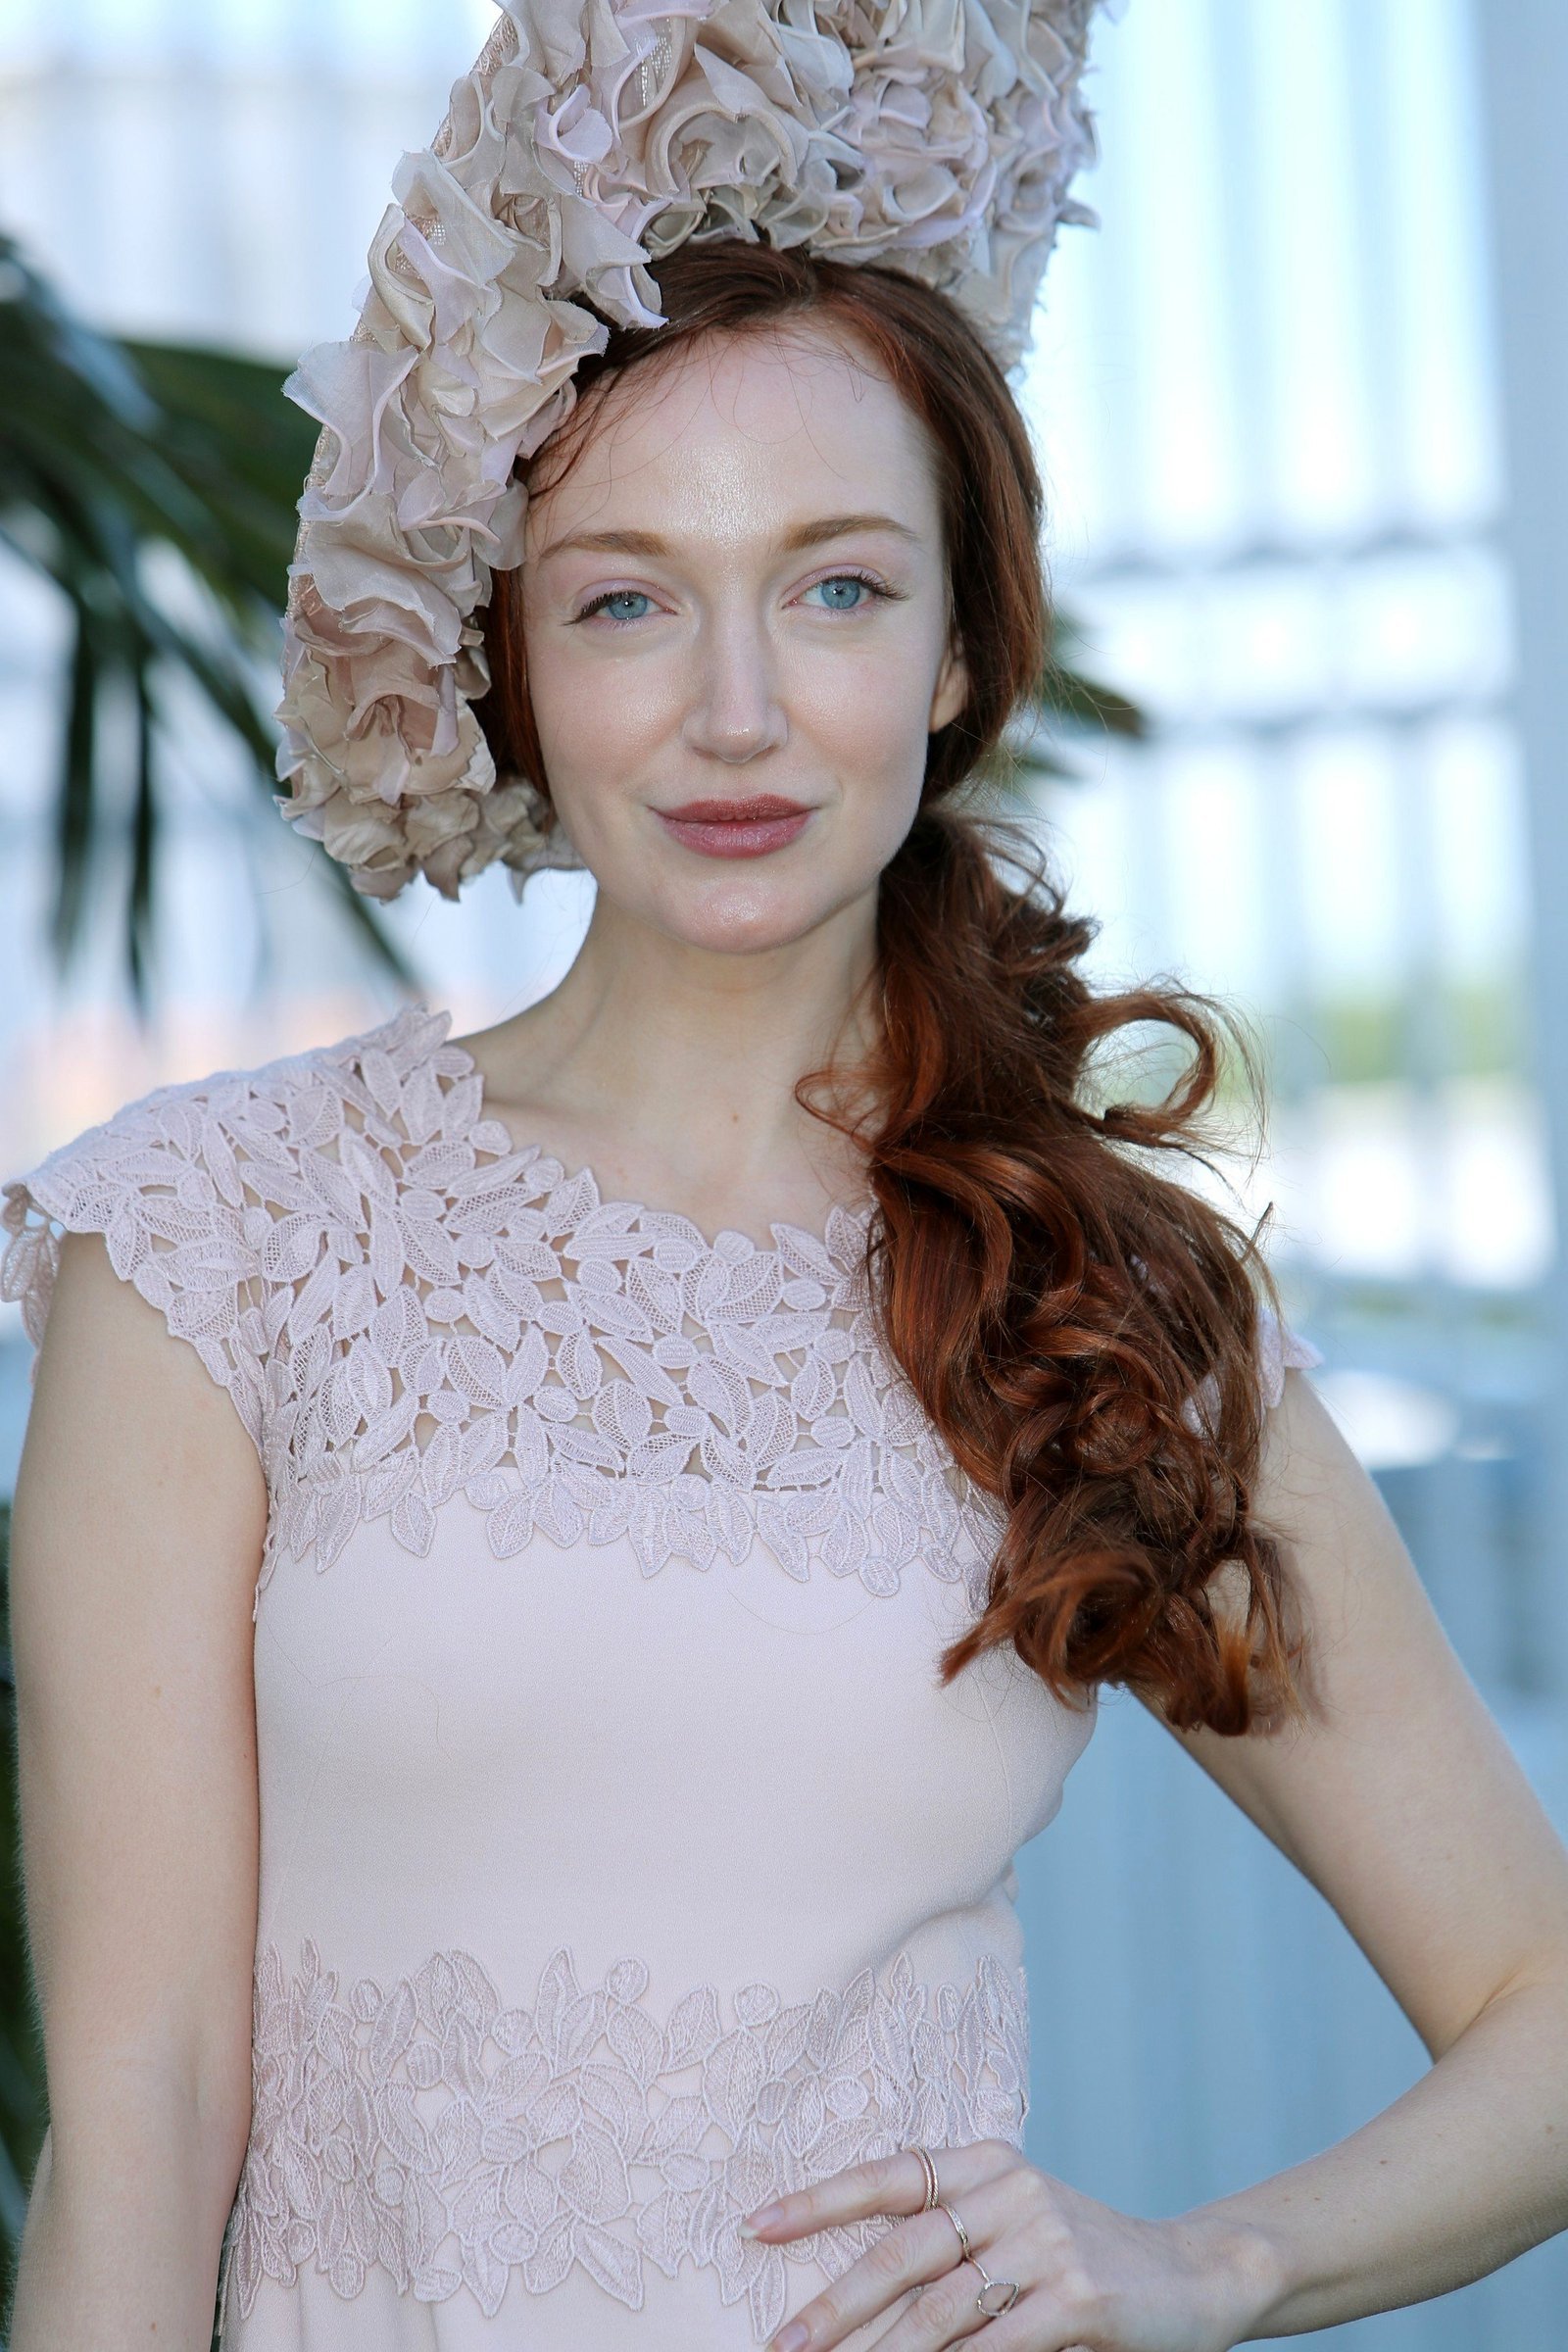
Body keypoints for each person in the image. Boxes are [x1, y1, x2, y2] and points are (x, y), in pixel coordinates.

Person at [5, 7, 1568, 2350]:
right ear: (511, 667)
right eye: (626, 597)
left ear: (955, 648)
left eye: (834, 587)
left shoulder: (1095, 1303)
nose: (735, 710)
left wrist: (1203, 2261)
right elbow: (140, 2110)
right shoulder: (219, 1242)